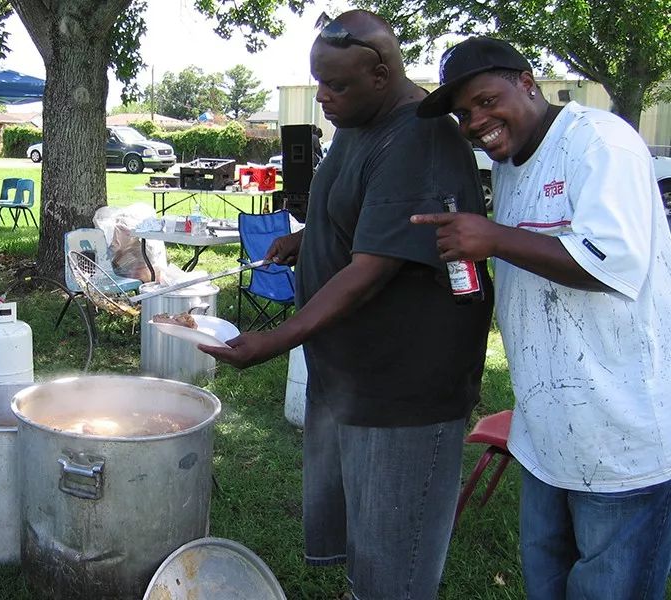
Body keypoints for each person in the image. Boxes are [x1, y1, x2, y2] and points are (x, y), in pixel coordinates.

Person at [200, 10, 493, 599]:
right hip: (353, 377)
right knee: (367, 545)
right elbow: (367, 216)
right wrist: (305, 240)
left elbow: (372, 268)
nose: (325, 99)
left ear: (381, 72)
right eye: (319, 84)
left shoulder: (420, 138)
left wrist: (272, 341)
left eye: (338, 85)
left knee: (396, 564)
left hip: (403, 389)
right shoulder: (361, 122)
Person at [412, 37, 671, 599]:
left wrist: (492, 238)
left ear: (527, 82)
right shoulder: (512, 165)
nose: (476, 122)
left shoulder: (600, 144)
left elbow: (611, 264)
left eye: (485, 100)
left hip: (622, 440)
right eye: (464, 114)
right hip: (546, 438)